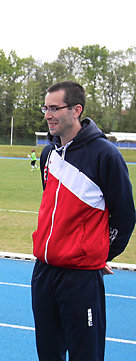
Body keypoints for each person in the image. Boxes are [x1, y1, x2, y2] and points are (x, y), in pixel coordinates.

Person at [31, 81, 136, 360]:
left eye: (55, 108)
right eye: (46, 108)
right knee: (48, 354)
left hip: (80, 278)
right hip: (43, 272)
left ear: (76, 110)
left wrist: (97, 254)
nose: (48, 115)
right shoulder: (48, 154)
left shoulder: (105, 155)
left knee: (85, 355)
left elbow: (125, 215)